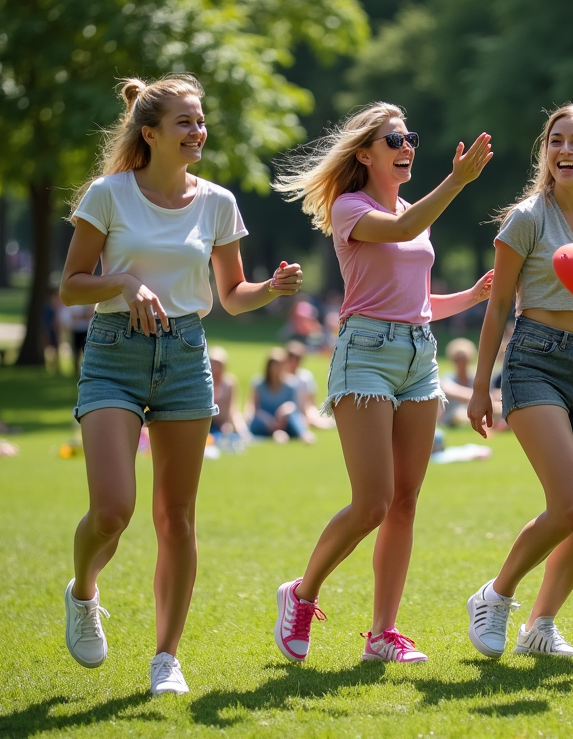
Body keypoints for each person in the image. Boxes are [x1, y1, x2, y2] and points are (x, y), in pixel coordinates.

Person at [59, 74, 302, 695]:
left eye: (200, 122)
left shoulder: (218, 202)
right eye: (185, 123)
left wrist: (269, 291)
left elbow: (231, 294)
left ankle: (166, 658)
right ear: (150, 134)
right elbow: (71, 284)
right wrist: (122, 283)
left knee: (177, 518)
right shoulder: (108, 195)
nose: (198, 132)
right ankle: (84, 590)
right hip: (114, 354)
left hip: (187, 356)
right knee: (113, 510)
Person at [272, 102, 493, 664]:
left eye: (409, 138)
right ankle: (300, 595)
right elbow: (403, 227)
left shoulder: (409, 215)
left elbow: (413, 301)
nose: (406, 147)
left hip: (419, 354)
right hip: (365, 355)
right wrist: (457, 181)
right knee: (372, 502)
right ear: (365, 154)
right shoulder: (352, 208)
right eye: (394, 140)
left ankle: (382, 634)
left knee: (405, 501)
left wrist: (468, 298)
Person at [466, 103, 573, 659]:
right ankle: (495, 595)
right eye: (556, 141)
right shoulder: (525, 218)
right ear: (545, 152)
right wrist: (480, 387)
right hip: (535, 360)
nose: (565, 150)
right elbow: (496, 310)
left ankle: (541, 626)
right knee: (570, 503)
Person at [248, 346, 315, 444]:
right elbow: (255, 408)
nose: (276, 368)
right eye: (274, 365)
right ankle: (276, 434)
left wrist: (284, 410)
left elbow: (294, 405)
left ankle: (303, 434)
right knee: (256, 422)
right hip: (265, 420)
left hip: (284, 419)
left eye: (279, 365)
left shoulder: (291, 383)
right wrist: (268, 420)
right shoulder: (258, 384)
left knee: (294, 418)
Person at [208, 346, 248, 439]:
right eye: (213, 364)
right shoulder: (205, 383)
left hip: (223, 423)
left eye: (218, 364)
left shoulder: (229, 383)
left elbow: (232, 409)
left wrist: (229, 424)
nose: (216, 368)